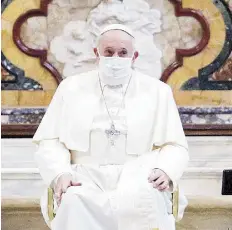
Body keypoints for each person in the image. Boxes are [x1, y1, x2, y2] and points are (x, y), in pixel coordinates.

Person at [33, 24, 189, 230]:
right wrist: (60, 172)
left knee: (149, 197)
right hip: (85, 177)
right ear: (96, 53)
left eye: (123, 53)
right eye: (109, 52)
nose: (116, 58)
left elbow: (175, 145)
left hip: (138, 175)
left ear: (134, 57)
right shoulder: (70, 88)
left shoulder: (158, 91)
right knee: (72, 200)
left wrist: (165, 169)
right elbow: (50, 139)